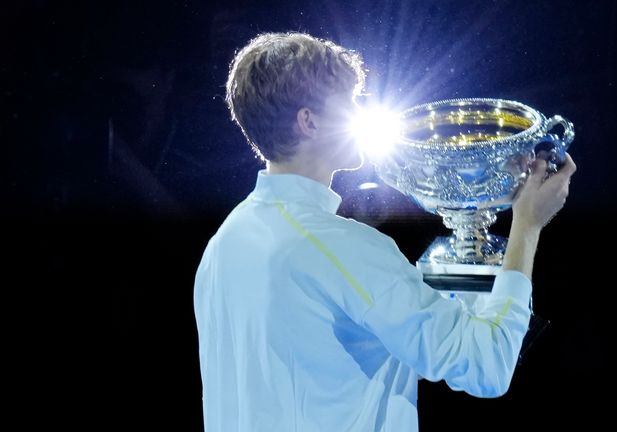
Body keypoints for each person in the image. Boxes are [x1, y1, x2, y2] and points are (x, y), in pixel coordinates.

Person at [193, 32, 576, 432]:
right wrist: (527, 225)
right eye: (349, 102)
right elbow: (487, 366)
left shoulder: (223, 242)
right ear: (309, 122)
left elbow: (350, 356)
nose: (360, 113)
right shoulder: (341, 248)